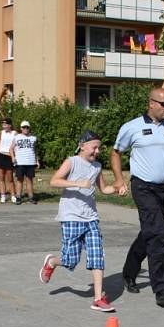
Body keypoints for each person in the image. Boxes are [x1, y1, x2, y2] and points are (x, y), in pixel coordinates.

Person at [110, 87, 164, 308]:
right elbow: (116, 152)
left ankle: (129, 272)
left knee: (149, 233)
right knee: (159, 234)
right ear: (151, 103)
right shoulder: (132, 127)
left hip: (163, 190)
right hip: (142, 187)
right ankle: (160, 290)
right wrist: (119, 179)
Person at [39, 130, 118, 312]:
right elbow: (54, 181)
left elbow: (104, 188)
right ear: (82, 146)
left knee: (97, 256)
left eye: (99, 148)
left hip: (91, 217)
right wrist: (78, 183)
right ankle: (52, 262)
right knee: (70, 260)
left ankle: (98, 298)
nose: (97, 151)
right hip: (71, 216)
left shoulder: (97, 166)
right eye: (94, 147)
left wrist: (116, 189)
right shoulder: (72, 161)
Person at [10, 120, 39, 205]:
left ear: (29, 128)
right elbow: (11, 149)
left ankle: (31, 197)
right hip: (20, 162)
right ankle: (18, 197)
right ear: (21, 128)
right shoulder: (17, 137)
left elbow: (35, 150)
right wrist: (13, 157)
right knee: (20, 180)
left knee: (29, 180)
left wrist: (37, 160)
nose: (25, 129)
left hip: (30, 162)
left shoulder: (33, 138)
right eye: (24, 127)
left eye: (27, 127)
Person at [0, 118, 17, 203]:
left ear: (9, 125)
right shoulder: (1, 132)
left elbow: (17, 143)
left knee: (10, 178)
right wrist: (0, 146)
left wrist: (14, 154)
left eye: (5, 124)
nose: (3, 126)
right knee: (1, 177)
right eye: (3, 124)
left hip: (9, 156)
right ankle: (3, 196)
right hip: (0, 155)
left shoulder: (15, 133)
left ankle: (13, 195)